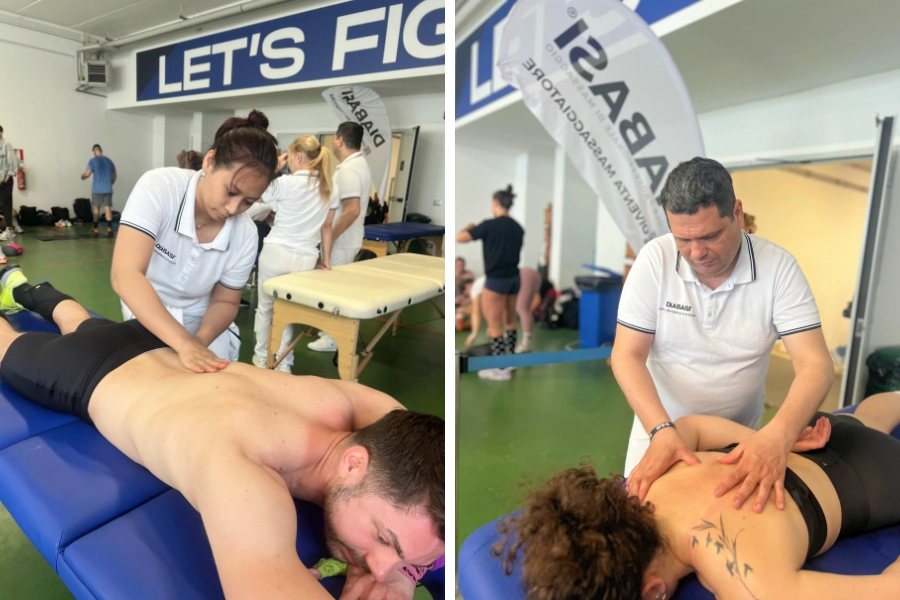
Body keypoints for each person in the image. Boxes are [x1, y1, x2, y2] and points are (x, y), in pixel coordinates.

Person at [0, 265, 444, 600]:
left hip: (152, 342)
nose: (381, 568)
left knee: (81, 322)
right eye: (384, 539)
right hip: (83, 371)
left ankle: (20, 284)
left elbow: (421, 445)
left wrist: (404, 574)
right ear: (354, 462)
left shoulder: (368, 413)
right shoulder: (243, 467)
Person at [495, 392, 900, 600]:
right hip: (814, 433)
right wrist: (769, 443)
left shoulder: (750, 585)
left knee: (870, 423)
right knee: (865, 417)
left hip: (876, 475)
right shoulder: (647, 484)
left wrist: (774, 445)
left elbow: (889, 590)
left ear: (653, 591)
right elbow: (691, 428)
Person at [611, 157, 833, 514]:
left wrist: (779, 434)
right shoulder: (655, 261)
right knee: (642, 525)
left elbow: (815, 363)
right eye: (683, 239)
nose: (697, 252)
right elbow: (627, 355)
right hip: (661, 431)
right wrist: (661, 429)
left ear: (737, 213)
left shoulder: (779, 269)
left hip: (740, 442)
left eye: (711, 236)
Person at [112, 110, 277, 372]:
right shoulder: (160, 188)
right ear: (209, 162)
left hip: (203, 318)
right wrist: (183, 344)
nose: (233, 208)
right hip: (148, 304)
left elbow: (225, 301)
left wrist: (198, 342)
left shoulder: (245, 233)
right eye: (230, 192)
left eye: (248, 201)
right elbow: (126, 275)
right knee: (157, 378)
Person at [252, 136, 339, 373]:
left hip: (276, 253)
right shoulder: (330, 187)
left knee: (266, 309)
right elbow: (327, 227)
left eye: (290, 156)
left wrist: (274, 168)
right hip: (305, 259)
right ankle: (284, 363)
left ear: (298, 156)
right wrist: (326, 259)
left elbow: (256, 193)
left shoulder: (285, 182)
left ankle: (261, 358)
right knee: (287, 312)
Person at [309, 122, 372, 354]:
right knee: (335, 288)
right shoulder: (356, 164)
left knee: (335, 290)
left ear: (339, 140)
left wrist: (330, 238)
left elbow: (352, 210)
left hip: (342, 240)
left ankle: (334, 338)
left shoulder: (349, 170)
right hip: (347, 238)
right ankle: (330, 330)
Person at [456, 185, 524, 381]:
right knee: (510, 320)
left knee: (494, 326)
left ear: (495, 203)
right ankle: (511, 360)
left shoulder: (489, 225)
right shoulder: (518, 227)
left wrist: (469, 226)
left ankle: (499, 368)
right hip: (514, 278)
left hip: (496, 281)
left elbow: (460, 238)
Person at [463, 268, 541, 354]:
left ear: (467, 287)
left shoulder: (475, 288)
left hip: (516, 276)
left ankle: (505, 355)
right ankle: (513, 349)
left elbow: (476, 313)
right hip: (527, 274)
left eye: (465, 294)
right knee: (516, 315)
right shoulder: (483, 282)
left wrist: (474, 334)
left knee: (520, 310)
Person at [81, 144, 117, 236]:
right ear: (101, 150)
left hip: (97, 189)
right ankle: (109, 228)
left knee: (96, 208)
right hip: (108, 189)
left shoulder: (92, 161)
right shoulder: (109, 161)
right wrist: (110, 183)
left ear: (94, 151)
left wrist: (82, 176)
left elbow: (87, 174)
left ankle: (96, 228)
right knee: (107, 208)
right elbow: (114, 175)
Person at [0, 125, 20, 242]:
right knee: (2, 204)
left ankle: (9, 230)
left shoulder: (6, 145)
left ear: (0, 133)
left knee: (6, 204)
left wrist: (8, 176)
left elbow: (14, 162)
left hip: (5, 180)